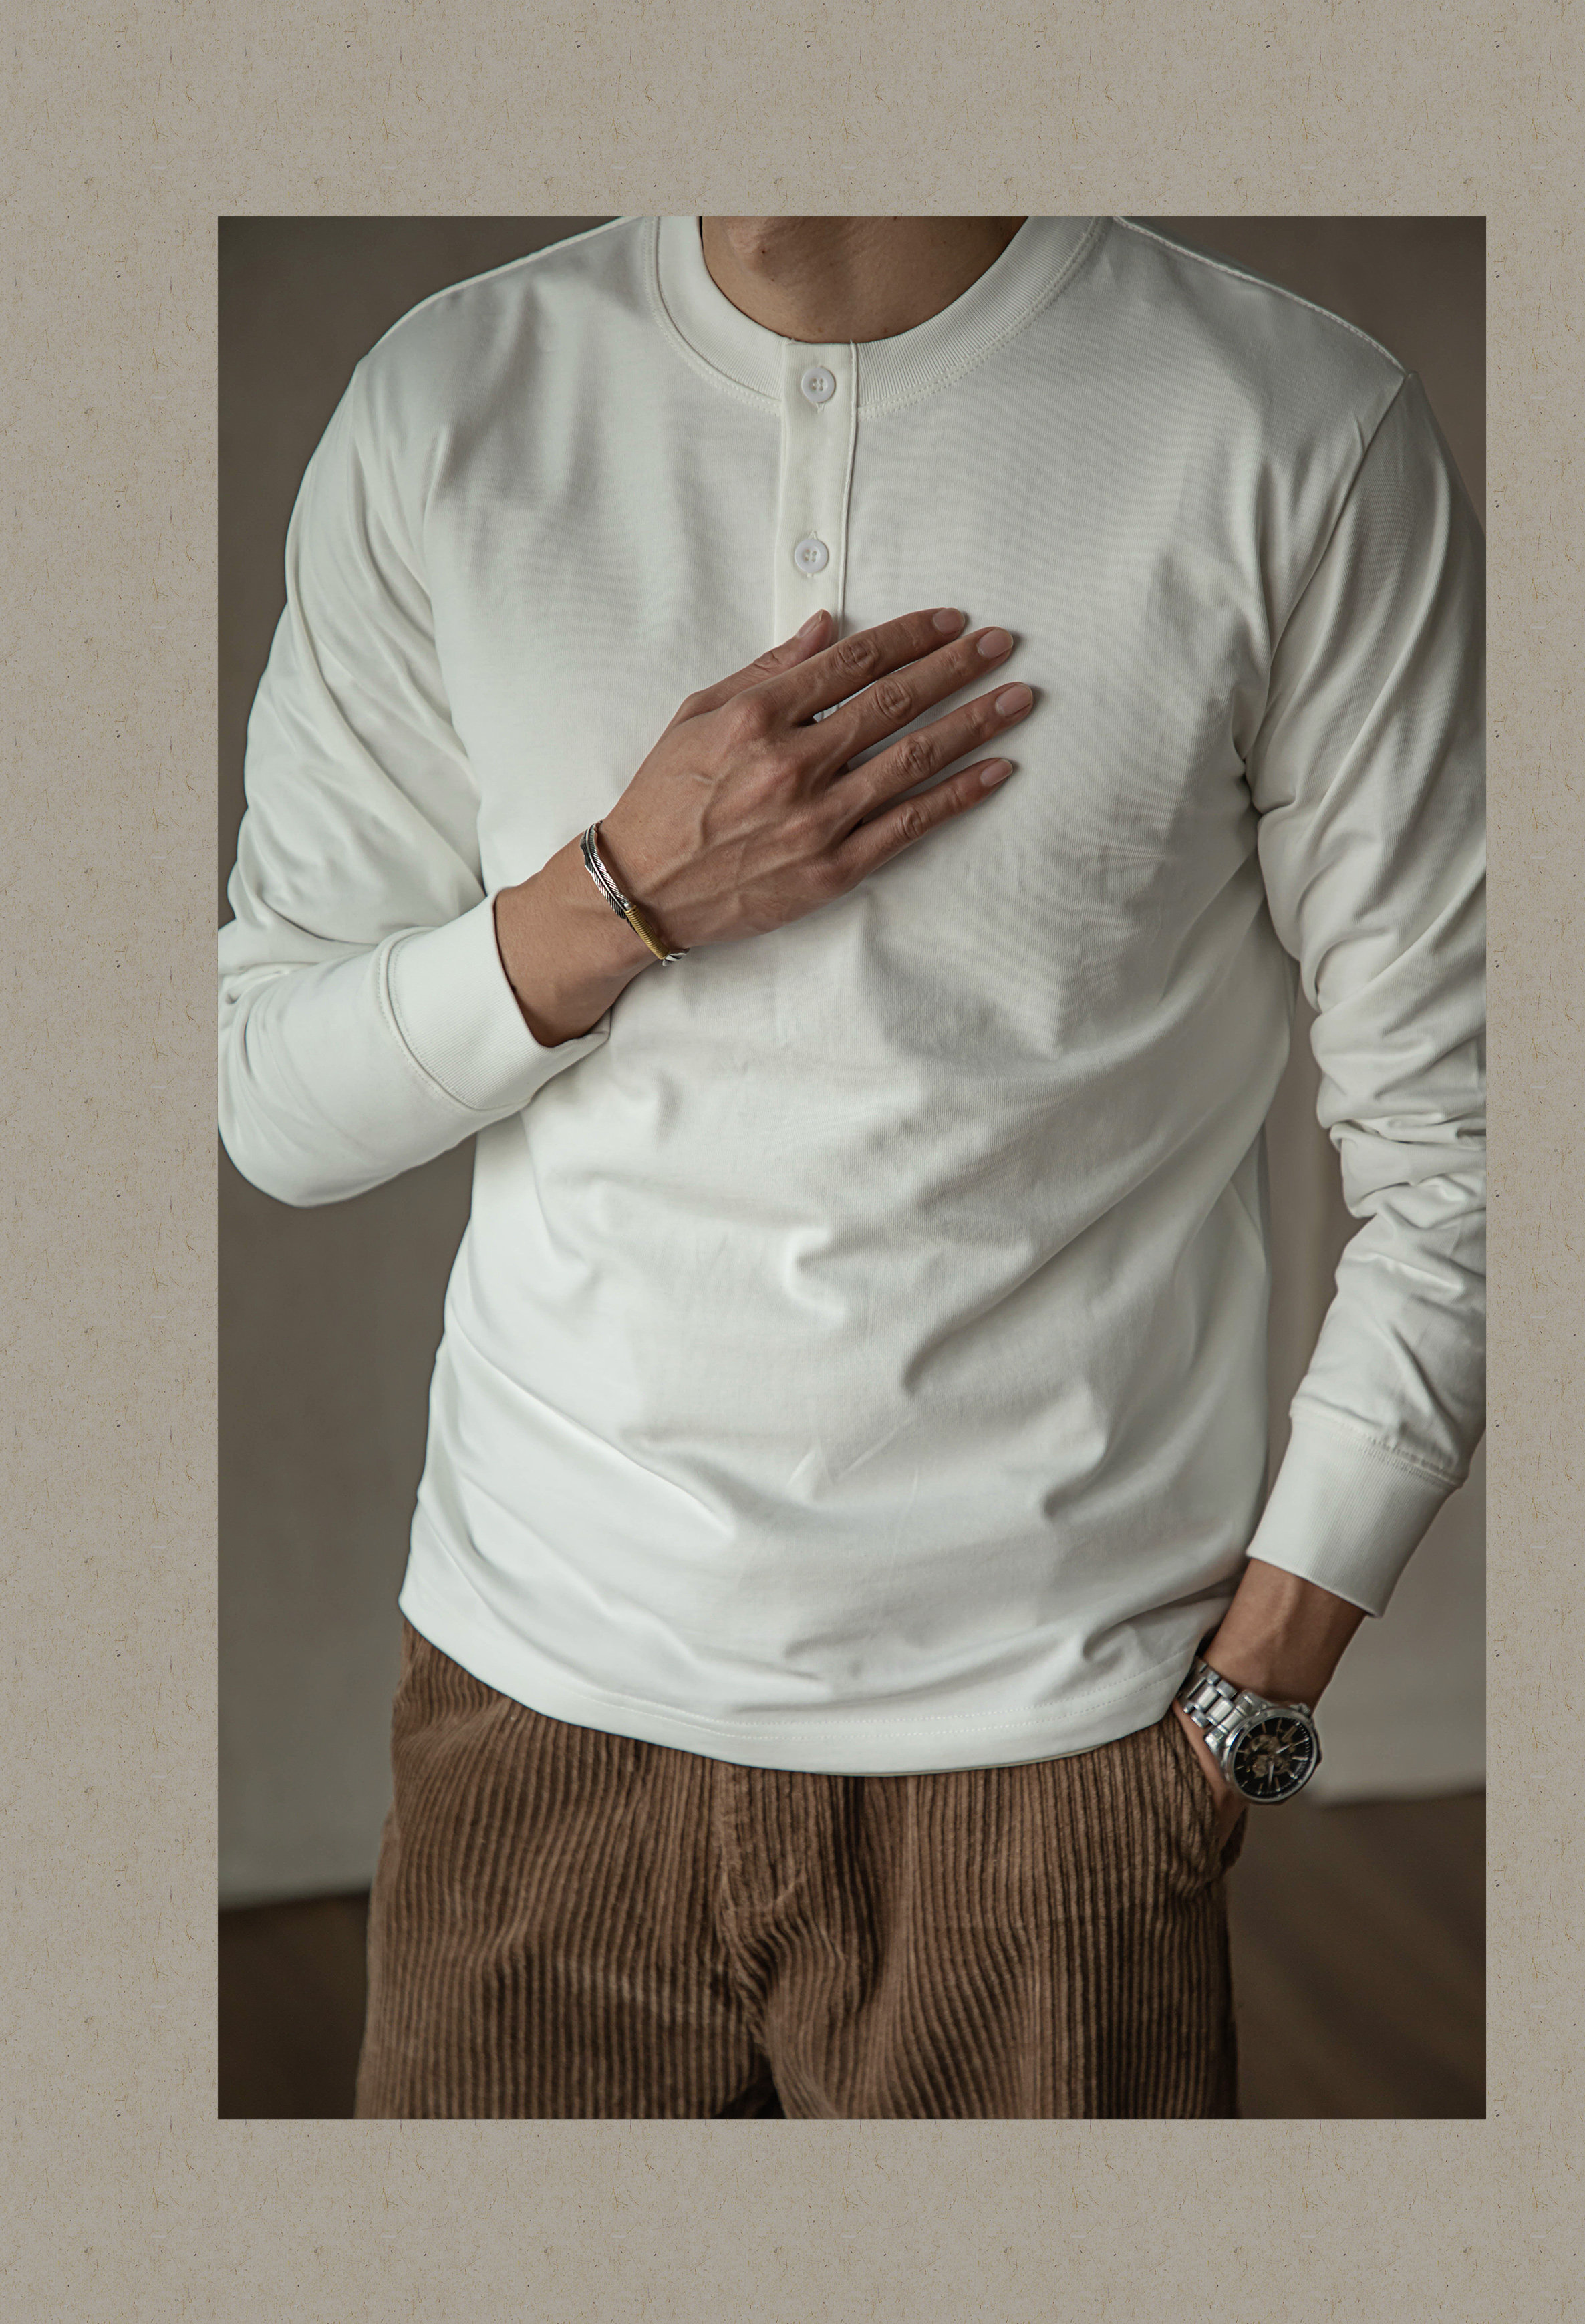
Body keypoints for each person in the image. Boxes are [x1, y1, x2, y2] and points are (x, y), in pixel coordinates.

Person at [219, 216, 1485, 2120]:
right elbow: (272, 1098)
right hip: (529, 1733)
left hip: (1056, 1776)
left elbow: (1475, 1144)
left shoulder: (1296, 426)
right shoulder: (449, 400)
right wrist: (616, 899)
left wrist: (1253, 1703)